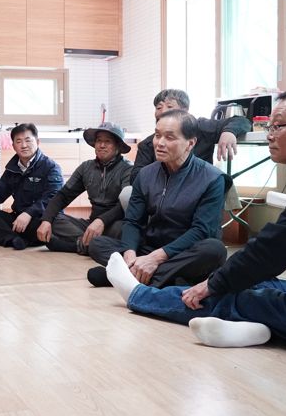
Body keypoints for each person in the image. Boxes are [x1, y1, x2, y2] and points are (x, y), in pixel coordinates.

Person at [105, 85, 286, 362]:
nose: (270, 134)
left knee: (232, 293)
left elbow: (273, 249)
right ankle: (252, 331)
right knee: (258, 285)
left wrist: (212, 284)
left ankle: (139, 295)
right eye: (269, 126)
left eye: (278, 126)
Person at [87, 110, 227, 288]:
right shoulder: (146, 174)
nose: (159, 143)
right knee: (97, 244)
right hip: (149, 248)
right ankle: (158, 277)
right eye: (157, 135)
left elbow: (201, 231)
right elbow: (132, 221)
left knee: (214, 250)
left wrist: (156, 258)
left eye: (169, 137)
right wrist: (130, 253)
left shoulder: (212, 178)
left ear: (190, 143)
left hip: (185, 251)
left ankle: (125, 276)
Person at [37, 122, 132, 255]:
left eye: (108, 141)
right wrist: (46, 220)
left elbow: (126, 205)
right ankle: (92, 245)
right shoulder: (86, 167)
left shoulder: (128, 169)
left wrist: (102, 221)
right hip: (90, 224)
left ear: (117, 146)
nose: (102, 145)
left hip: (115, 223)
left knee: (125, 229)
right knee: (53, 219)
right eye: (99, 140)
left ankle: (77, 245)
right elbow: (62, 196)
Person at [0, 123, 63, 250]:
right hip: (19, 220)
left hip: (41, 219)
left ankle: (6, 237)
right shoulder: (12, 169)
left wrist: (28, 213)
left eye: (28, 140)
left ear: (38, 142)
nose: (23, 145)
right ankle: (14, 239)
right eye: (18, 141)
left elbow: (53, 198)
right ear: (13, 146)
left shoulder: (51, 167)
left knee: (49, 224)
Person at [130, 89, 251, 184]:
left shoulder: (201, 127)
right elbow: (136, 178)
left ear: (185, 110)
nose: (163, 111)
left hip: (198, 188)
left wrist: (229, 132)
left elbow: (242, 121)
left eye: (170, 106)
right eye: (158, 107)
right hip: (160, 193)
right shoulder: (148, 144)